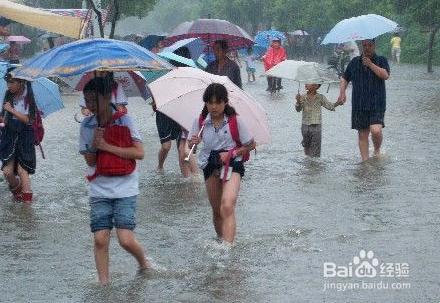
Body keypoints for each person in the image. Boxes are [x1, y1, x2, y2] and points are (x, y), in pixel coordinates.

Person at [79, 78, 150, 285]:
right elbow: (90, 161)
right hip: (99, 188)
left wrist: (107, 146)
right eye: (87, 101)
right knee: (100, 238)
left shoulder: (125, 121)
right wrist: (94, 144)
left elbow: (140, 153)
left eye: (94, 100)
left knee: (125, 240)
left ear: (107, 97)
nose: (90, 105)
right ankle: (104, 285)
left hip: (126, 187)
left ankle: (144, 263)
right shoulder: (87, 125)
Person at [188, 83, 256, 243]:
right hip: (210, 165)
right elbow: (192, 148)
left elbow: (251, 144)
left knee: (227, 205)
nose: (213, 106)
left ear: (225, 102)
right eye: (210, 102)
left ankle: (228, 249)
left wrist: (232, 153)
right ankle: (221, 241)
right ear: (205, 103)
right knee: (217, 210)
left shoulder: (235, 121)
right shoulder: (200, 122)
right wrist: (194, 142)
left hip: (233, 164)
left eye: (218, 102)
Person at [338, 39, 390, 161]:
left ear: (374, 46)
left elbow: (385, 75)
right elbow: (344, 78)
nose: (367, 48)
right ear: (361, 46)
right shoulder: (354, 62)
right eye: (364, 45)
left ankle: (377, 150)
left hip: (377, 103)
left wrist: (370, 64)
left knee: (376, 130)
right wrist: (342, 93)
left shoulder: (381, 60)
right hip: (359, 103)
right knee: (362, 134)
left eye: (369, 45)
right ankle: (365, 164)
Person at [0, 68, 37, 203]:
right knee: (7, 172)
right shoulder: (7, 94)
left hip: (25, 136)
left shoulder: (29, 96)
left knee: (23, 171)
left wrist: (11, 110)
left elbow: (29, 120)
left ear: (21, 82)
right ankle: (19, 195)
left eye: (12, 82)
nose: (9, 85)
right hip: (9, 135)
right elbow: (4, 119)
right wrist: (2, 118)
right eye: (7, 82)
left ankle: (27, 208)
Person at [152, 100, 197, 177]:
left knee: (183, 150)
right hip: (164, 113)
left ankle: (188, 177)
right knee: (166, 146)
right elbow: (149, 95)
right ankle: (160, 166)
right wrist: (153, 101)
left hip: (181, 110)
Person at [295, 84, 343, 157]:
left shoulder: (320, 97)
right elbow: (298, 109)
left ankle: (314, 164)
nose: (306, 84)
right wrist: (298, 101)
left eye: (309, 82)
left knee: (316, 150)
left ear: (316, 86)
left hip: (316, 126)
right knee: (306, 145)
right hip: (305, 126)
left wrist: (338, 103)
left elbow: (330, 106)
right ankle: (307, 162)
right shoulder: (302, 97)